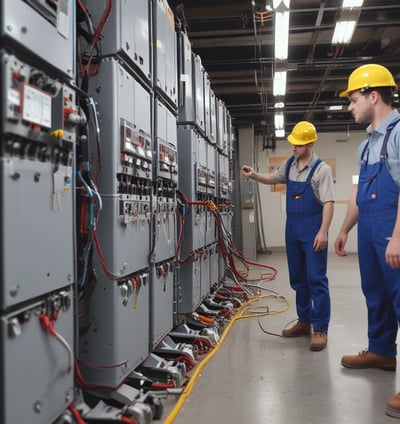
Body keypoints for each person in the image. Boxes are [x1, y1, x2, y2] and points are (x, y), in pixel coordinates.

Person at [333, 63, 400, 419]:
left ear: (374, 95)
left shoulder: (399, 133)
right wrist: (344, 229)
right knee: (375, 292)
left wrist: (398, 237)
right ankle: (382, 351)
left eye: (353, 98)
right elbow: (358, 193)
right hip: (370, 229)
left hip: (394, 228)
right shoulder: (364, 146)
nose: (349, 106)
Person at [242, 121, 335, 351]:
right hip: (292, 229)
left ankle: (320, 328)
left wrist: (323, 232)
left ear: (310, 144)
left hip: (313, 229)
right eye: (293, 143)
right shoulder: (289, 164)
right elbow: (273, 179)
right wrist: (254, 175)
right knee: (298, 279)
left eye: (299, 144)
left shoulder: (322, 170)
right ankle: (304, 322)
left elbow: (329, 203)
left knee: (316, 280)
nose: (293, 147)